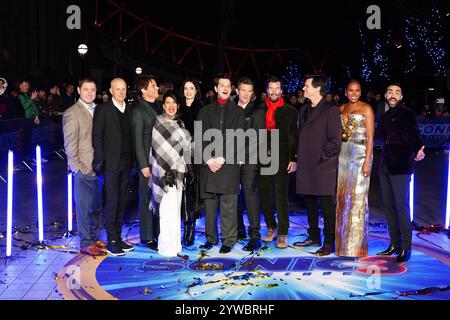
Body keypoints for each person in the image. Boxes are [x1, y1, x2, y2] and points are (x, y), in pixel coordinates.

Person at [376, 83, 425, 263]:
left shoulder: (407, 114)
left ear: (401, 96)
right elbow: (377, 136)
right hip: (385, 165)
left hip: (401, 165)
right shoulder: (385, 116)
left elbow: (415, 134)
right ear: (385, 95)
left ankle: (406, 247)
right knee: (388, 206)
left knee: (401, 206)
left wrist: (419, 148)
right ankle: (394, 244)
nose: (393, 95)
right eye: (390, 92)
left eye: (397, 92)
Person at [197, 73, 245, 254]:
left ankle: (228, 240)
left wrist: (223, 158)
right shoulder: (204, 111)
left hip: (229, 162)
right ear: (216, 88)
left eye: (228, 85)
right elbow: (200, 137)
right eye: (222, 85)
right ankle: (211, 238)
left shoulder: (239, 112)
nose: (225, 88)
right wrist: (209, 160)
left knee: (228, 205)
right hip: (209, 164)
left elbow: (238, 137)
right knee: (209, 204)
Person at [295, 75, 342, 256]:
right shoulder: (304, 109)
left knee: (327, 207)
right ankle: (314, 236)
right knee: (309, 203)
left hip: (323, 167)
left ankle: (329, 241)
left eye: (306, 86)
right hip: (306, 165)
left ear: (316, 88)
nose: (304, 88)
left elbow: (335, 140)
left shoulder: (330, 110)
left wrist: (322, 157)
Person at [63, 78, 106, 256]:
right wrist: (77, 167)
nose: (89, 93)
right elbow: (69, 143)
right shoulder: (72, 113)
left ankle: (94, 236)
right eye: (86, 89)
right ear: (79, 90)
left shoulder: (99, 110)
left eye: (93, 90)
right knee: (83, 207)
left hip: (99, 167)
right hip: (84, 167)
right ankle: (86, 242)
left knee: (96, 205)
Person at [92, 78, 134, 256]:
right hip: (111, 164)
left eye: (124, 89)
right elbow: (97, 136)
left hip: (127, 163)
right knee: (112, 201)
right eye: (118, 89)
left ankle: (118, 236)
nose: (121, 92)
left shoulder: (130, 110)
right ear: (111, 90)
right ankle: (112, 240)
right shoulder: (103, 110)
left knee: (123, 200)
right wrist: (101, 159)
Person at [150, 90, 192, 257]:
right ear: (163, 105)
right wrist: (165, 171)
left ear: (178, 106)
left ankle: (175, 247)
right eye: (168, 102)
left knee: (175, 211)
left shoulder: (180, 124)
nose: (171, 106)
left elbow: (186, 148)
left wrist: (188, 167)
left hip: (179, 174)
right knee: (166, 211)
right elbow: (157, 149)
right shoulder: (158, 123)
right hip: (165, 174)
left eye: (174, 103)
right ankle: (166, 248)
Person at [335, 80, 374, 257]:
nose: (354, 94)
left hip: (360, 154)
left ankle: (357, 247)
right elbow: (340, 136)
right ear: (346, 92)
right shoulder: (341, 109)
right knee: (343, 198)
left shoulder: (366, 109)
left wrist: (367, 161)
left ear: (360, 92)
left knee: (358, 198)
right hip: (344, 154)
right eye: (350, 90)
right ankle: (342, 246)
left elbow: (371, 138)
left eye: (357, 91)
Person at [259, 76, 298, 249]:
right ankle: (271, 227)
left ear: (281, 90)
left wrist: (293, 158)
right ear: (267, 90)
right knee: (265, 195)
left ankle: (283, 232)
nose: (274, 91)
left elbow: (293, 136)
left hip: (282, 156)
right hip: (263, 156)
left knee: (281, 196)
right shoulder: (260, 109)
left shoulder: (290, 111)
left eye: (277, 88)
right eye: (271, 88)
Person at [131, 74, 163, 251]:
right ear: (144, 90)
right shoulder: (138, 111)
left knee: (157, 198)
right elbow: (137, 140)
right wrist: (143, 164)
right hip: (148, 163)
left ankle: (157, 232)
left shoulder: (157, 106)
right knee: (146, 199)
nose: (157, 88)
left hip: (160, 161)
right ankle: (147, 236)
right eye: (153, 86)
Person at [235, 77, 265, 251]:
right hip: (230, 159)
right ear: (237, 91)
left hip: (249, 159)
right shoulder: (230, 108)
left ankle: (255, 235)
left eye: (249, 91)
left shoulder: (257, 111)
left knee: (250, 196)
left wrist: (242, 157)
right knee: (232, 195)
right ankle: (239, 230)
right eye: (243, 90)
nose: (246, 94)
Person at [179, 78, 204, 246]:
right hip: (178, 156)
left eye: (192, 88)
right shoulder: (177, 108)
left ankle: (191, 229)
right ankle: (185, 226)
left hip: (195, 157)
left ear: (196, 91)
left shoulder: (201, 109)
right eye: (186, 88)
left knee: (193, 193)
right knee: (181, 194)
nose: (188, 91)